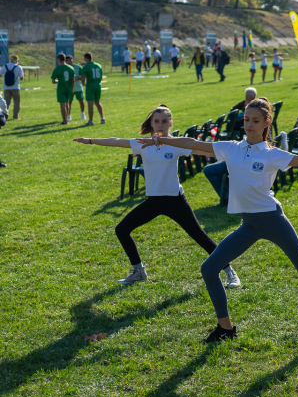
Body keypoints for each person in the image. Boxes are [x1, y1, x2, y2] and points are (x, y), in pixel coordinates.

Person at [139, 98, 298, 343]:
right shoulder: (231, 148)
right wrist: (161, 138)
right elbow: (193, 143)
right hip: (248, 225)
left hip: (272, 219)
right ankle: (226, 328)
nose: (249, 125)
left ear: (266, 123)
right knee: (209, 269)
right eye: (246, 120)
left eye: (255, 121)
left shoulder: (272, 155)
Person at [72, 105, 240, 288]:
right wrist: (90, 140)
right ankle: (138, 271)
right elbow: (116, 140)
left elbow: (203, 150)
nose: (160, 125)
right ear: (151, 123)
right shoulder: (142, 143)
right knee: (122, 230)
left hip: (175, 200)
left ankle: (229, 271)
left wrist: (230, 156)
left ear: (171, 123)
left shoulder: (176, 144)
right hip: (153, 201)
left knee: (199, 235)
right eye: (156, 121)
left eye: (164, 121)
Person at [79, 53, 105, 125]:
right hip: (98, 85)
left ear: (86, 58)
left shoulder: (86, 67)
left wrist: (83, 83)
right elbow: (101, 77)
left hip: (90, 86)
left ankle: (90, 120)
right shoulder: (98, 65)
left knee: (90, 103)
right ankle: (102, 118)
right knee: (98, 102)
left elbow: (83, 78)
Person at [51, 53, 74, 125]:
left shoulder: (57, 69)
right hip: (69, 88)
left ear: (58, 59)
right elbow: (73, 79)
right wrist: (72, 89)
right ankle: (66, 118)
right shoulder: (71, 68)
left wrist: (58, 80)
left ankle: (64, 121)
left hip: (61, 88)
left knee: (63, 105)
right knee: (67, 103)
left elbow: (53, 81)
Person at [2, 55, 23, 121]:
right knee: (16, 102)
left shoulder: (5, 66)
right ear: (16, 60)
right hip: (15, 87)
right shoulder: (18, 67)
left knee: (6, 102)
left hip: (6, 87)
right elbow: (22, 78)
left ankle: (5, 115)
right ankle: (15, 116)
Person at [66, 55, 86, 123]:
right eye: (67, 60)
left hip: (78, 87)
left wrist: (80, 81)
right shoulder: (66, 68)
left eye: (70, 60)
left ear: (73, 59)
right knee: (69, 102)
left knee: (81, 101)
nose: (69, 61)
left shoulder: (78, 67)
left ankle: (82, 113)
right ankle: (68, 115)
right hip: (69, 88)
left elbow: (83, 77)